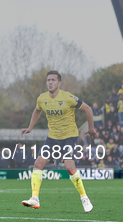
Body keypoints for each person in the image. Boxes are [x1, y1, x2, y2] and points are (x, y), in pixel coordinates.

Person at [21, 70, 96, 212]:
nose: (50, 82)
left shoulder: (68, 97)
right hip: (52, 138)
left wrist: (91, 129)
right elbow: (37, 111)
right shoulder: (42, 99)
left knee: (69, 167)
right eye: (48, 80)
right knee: (38, 163)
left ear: (59, 83)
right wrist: (30, 127)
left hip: (69, 137)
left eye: (53, 80)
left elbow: (88, 109)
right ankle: (35, 199)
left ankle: (84, 198)